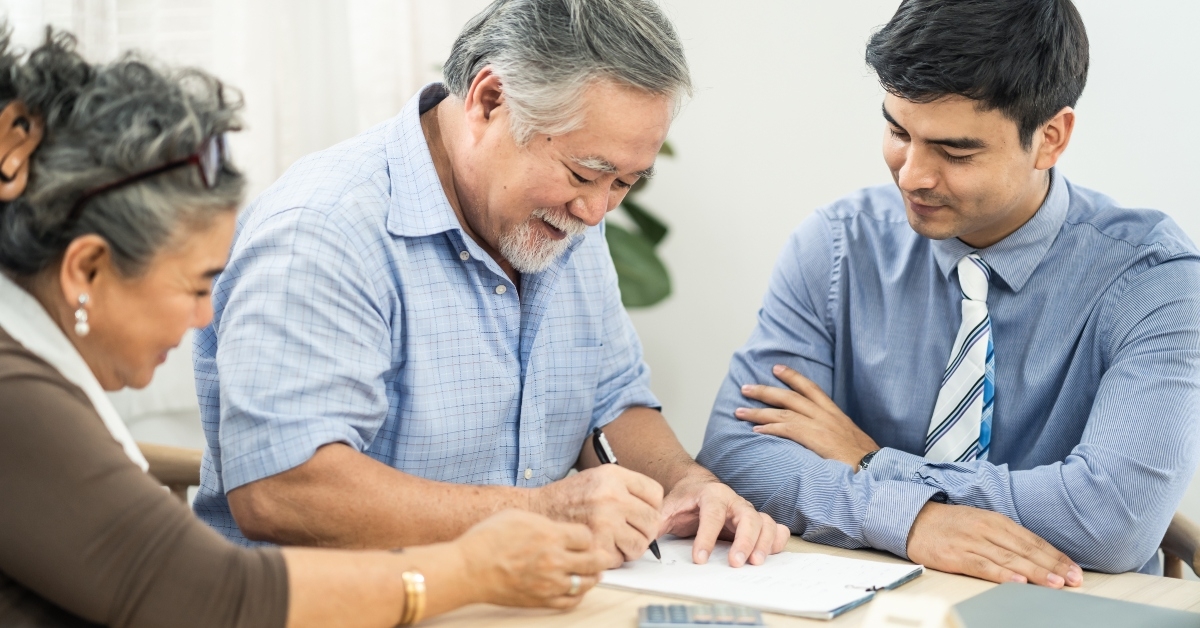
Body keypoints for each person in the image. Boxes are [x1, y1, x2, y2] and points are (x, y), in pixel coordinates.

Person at [0, 29, 608, 627]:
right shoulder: (16, 398)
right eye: (194, 286)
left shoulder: (35, 376)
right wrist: (470, 569)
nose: (205, 318)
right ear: (87, 268)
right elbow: (213, 595)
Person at [192, 0, 788, 568]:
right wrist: (543, 513)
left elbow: (613, 404)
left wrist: (689, 484)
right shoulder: (324, 229)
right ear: (490, 99)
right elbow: (282, 490)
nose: (596, 211)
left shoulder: (567, 218)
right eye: (585, 173)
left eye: (625, 183)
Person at [697, 0, 1200, 586]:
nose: (911, 174)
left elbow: (1113, 517)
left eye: (955, 152)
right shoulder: (838, 246)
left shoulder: (1153, 279)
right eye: (897, 131)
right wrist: (915, 523)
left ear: (1050, 138)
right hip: (863, 598)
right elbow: (737, 454)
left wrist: (869, 460)